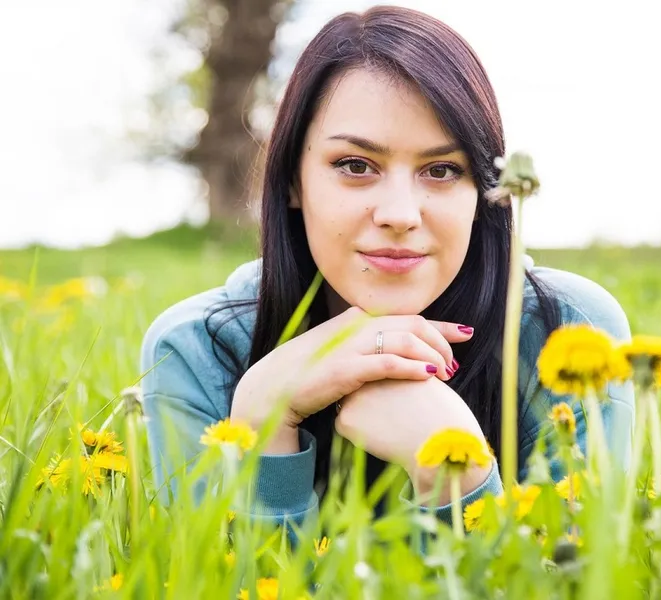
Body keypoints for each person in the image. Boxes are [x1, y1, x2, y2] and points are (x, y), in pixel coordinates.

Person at [140, 5, 634, 533]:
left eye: (442, 170)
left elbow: (577, 581)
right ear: (291, 182)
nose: (400, 214)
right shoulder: (198, 351)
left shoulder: (566, 332)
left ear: (484, 194)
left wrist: (457, 475)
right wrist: (264, 421)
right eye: (356, 166)